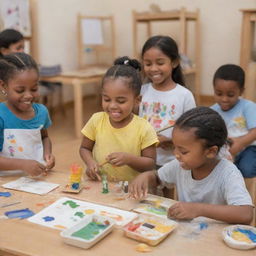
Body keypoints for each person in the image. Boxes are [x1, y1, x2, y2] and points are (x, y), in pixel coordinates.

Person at [129, 107, 253, 224]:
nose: (176, 154)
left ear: (210, 152)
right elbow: (157, 178)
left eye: (183, 151)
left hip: (213, 238)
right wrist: (145, 177)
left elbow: (246, 214)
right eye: (175, 147)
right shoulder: (180, 165)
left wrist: (198, 209)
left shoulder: (228, 173)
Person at [80, 56, 158, 182]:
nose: (112, 106)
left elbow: (150, 164)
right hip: (101, 186)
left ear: (137, 100)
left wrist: (129, 159)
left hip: (131, 191)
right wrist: (90, 163)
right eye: (106, 99)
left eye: (121, 101)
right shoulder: (96, 120)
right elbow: (84, 148)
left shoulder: (144, 128)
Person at [139, 35, 196, 168]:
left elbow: (192, 131)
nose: (153, 69)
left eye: (160, 63)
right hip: (144, 159)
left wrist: (172, 141)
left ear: (174, 62)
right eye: (148, 64)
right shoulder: (141, 92)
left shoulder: (184, 95)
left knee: (166, 188)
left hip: (172, 161)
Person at [0, 52, 55, 176]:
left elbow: (44, 137)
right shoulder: (1, 116)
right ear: (3, 85)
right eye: (20, 90)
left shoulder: (41, 112)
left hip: (36, 180)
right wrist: (23, 165)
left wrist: (47, 154)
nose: (29, 95)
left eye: (34, 89)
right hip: (6, 182)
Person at [211, 64, 256, 178]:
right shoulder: (212, 110)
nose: (224, 99)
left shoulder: (248, 106)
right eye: (219, 93)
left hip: (248, 147)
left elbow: (255, 131)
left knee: (246, 169)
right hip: (225, 148)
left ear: (241, 92)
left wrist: (240, 143)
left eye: (230, 95)